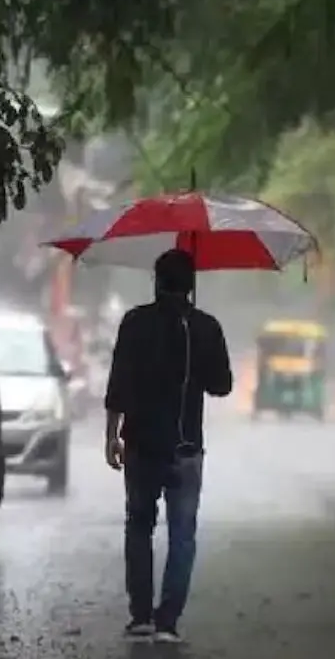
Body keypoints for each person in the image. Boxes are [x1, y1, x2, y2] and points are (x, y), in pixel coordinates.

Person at [103, 248, 233, 643]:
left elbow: (118, 383)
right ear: (191, 286)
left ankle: (140, 615)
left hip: (140, 445)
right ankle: (168, 622)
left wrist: (111, 436)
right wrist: (200, 355)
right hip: (186, 449)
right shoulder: (206, 327)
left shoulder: (134, 323)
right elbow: (222, 386)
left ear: (156, 281)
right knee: (182, 535)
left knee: (139, 526)